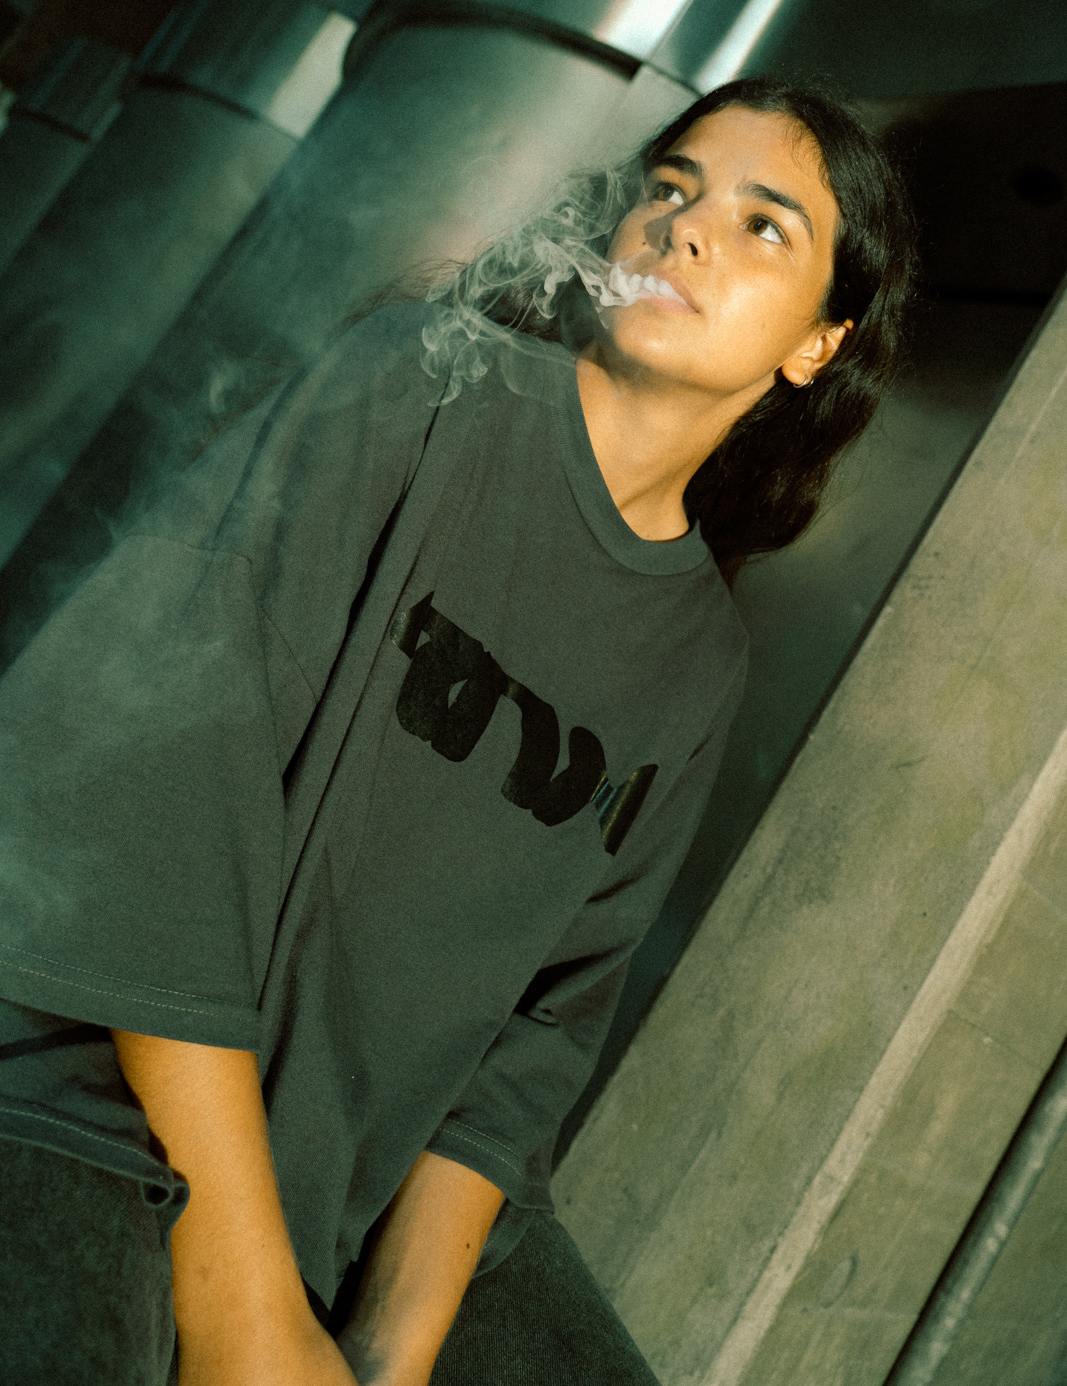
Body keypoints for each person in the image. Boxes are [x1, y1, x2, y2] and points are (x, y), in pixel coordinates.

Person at [0, 76, 915, 1385]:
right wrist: (248, 1309)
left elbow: (538, 1039)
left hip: (355, 1209)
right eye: (670, 189)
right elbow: (155, 780)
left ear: (819, 344)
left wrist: (395, 1346)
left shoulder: (701, 660)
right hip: (81, 1094)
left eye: (763, 224)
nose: (684, 228)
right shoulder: (420, 390)